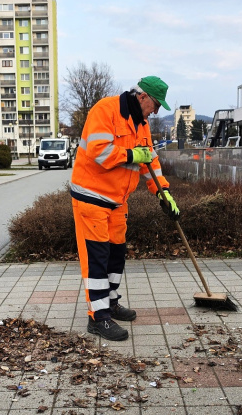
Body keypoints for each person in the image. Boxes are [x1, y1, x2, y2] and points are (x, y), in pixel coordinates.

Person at [70, 76, 180, 341]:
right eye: (154, 105)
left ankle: (110, 303)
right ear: (142, 97)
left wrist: (163, 192)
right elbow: (98, 151)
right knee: (96, 258)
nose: (155, 112)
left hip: (118, 201)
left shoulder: (141, 125)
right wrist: (132, 155)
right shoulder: (105, 110)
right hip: (91, 197)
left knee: (116, 255)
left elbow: (150, 161)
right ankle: (98, 318)